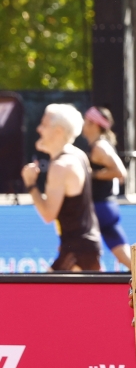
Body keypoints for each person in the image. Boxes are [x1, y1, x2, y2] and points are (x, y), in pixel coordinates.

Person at [21, 103, 102, 271]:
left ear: (58, 131)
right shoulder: (77, 155)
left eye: (44, 125)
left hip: (78, 250)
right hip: (83, 246)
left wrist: (30, 184)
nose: (39, 129)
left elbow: (48, 214)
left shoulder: (60, 166)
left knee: (44, 295)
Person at [82, 106, 131, 269]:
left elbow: (120, 172)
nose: (83, 124)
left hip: (99, 206)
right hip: (105, 206)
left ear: (94, 124)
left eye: (86, 121)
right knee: (121, 251)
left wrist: (92, 174)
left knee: (84, 248)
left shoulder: (100, 147)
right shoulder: (99, 145)